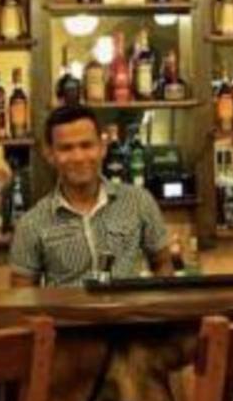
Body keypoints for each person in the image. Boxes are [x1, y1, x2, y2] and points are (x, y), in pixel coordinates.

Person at [9, 104, 172, 287]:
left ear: (102, 147)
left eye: (86, 145)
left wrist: (157, 299)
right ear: (50, 155)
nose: (78, 157)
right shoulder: (32, 223)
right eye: (66, 148)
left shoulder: (138, 201)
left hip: (129, 306)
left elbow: (163, 263)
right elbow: (23, 293)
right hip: (67, 306)